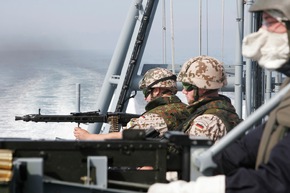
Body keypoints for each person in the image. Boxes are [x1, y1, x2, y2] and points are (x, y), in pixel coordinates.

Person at [148, 0, 290, 192]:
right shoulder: (286, 93)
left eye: (270, 22)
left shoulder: (209, 119)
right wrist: (183, 169)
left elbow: (277, 180)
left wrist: (208, 188)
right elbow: (245, 149)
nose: (262, 33)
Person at [74, 67, 190, 140]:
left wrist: (88, 137)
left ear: (156, 90)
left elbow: (122, 138)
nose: (145, 99)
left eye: (146, 92)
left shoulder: (155, 117)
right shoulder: (188, 109)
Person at [177, 55, 242, 143]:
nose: (184, 91)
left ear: (203, 87)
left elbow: (196, 156)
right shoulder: (226, 110)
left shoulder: (205, 123)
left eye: (187, 86)